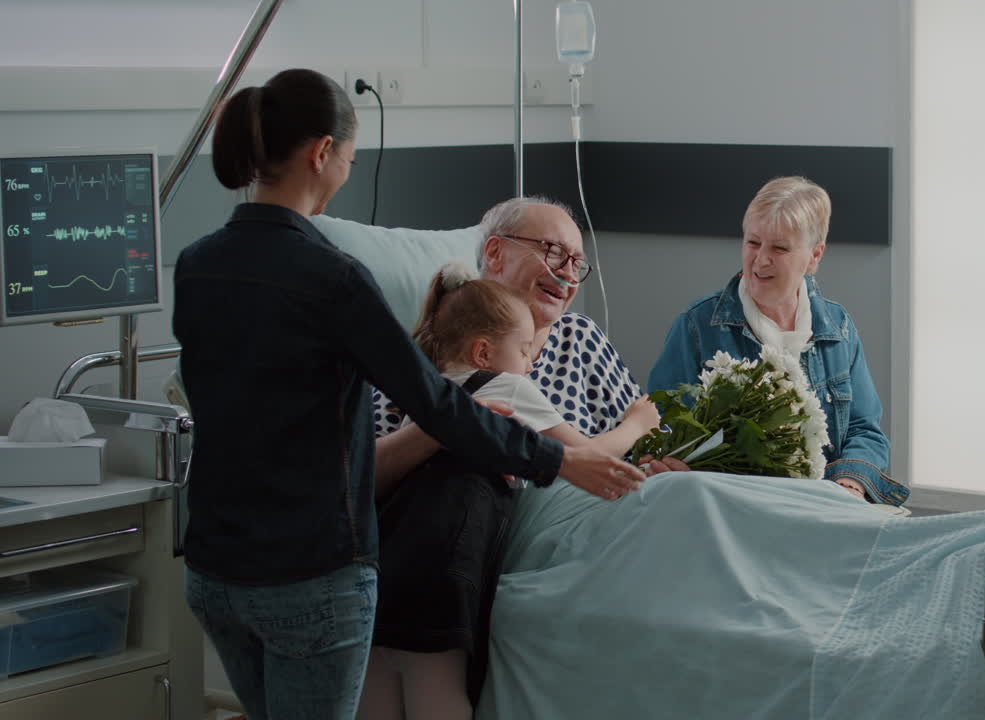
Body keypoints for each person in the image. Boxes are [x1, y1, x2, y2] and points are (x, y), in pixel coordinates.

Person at [171, 69, 644, 720]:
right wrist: (562, 460)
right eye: (350, 157)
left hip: (214, 569)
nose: (348, 169)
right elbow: (439, 402)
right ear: (321, 154)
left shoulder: (197, 263)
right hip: (307, 574)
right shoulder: (332, 278)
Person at [358, 263, 659, 720]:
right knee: (439, 691)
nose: (532, 361)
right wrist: (636, 425)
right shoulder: (506, 387)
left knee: (377, 689)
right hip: (445, 563)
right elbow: (587, 457)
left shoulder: (426, 397)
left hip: (387, 558)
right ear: (483, 351)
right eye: (524, 350)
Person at [646, 176, 908, 506]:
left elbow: (864, 429)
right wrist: (670, 464)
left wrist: (849, 485)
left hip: (823, 506)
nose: (761, 259)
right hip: (729, 508)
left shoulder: (838, 328)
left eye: (780, 248)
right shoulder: (698, 325)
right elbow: (660, 424)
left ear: (814, 256)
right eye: (753, 243)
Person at [373, 196, 645, 483]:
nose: (567, 273)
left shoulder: (580, 335)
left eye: (577, 264)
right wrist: (442, 428)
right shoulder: (421, 355)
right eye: (553, 251)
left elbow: (644, 447)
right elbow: (356, 476)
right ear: (495, 252)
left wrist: (660, 461)